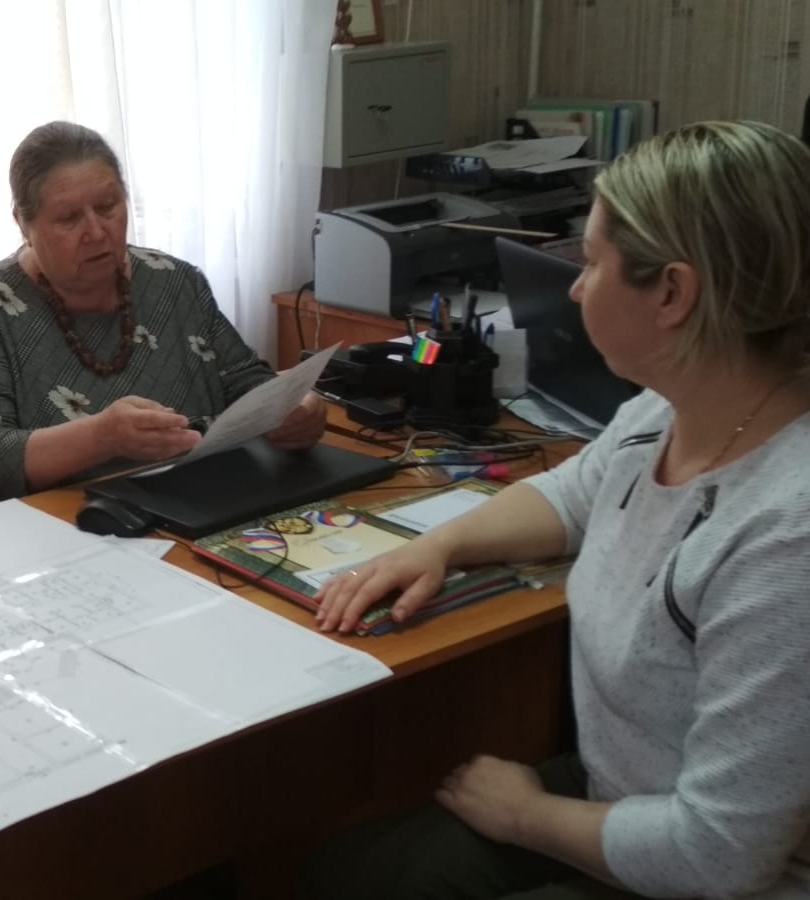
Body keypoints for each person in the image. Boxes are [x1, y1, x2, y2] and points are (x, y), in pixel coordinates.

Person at [305, 120, 810, 898]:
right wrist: (437, 546)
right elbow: (572, 495)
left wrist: (525, 816)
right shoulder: (669, 410)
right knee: (349, 867)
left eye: (593, 263)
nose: (575, 288)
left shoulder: (787, 539)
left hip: (712, 871)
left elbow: (717, 857)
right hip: (625, 793)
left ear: (672, 293)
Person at [0, 120, 328, 509]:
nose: (96, 232)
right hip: (54, 521)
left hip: (193, 502)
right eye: (69, 218)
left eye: (108, 207)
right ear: (24, 225)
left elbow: (245, 381)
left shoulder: (176, 282)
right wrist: (101, 438)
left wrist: (297, 408)